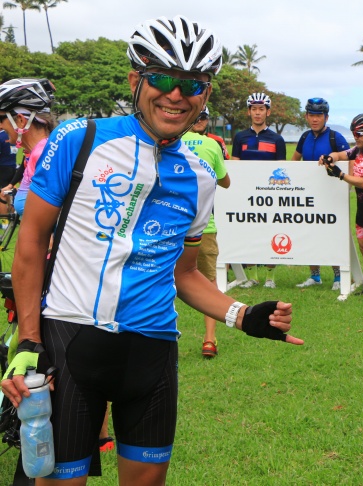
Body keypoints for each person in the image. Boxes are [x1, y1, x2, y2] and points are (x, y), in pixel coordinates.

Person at [1, 15, 302, 485]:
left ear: (205, 93)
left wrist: (241, 315)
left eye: (193, 84)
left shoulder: (200, 177)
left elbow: (184, 274)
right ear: (134, 80)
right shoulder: (79, 139)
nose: (176, 94)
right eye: (162, 78)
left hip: (153, 354)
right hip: (71, 341)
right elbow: (32, 244)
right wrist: (29, 341)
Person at [183, 109, 230, 358]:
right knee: (209, 282)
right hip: (203, 225)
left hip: (170, 224)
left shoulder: (171, 141)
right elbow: (225, 181)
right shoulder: (212, 144)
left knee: (160, 280)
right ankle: (209, 340)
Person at [292, 97, 349, 290]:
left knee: (332, 233)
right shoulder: (305, 137)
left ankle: (338, 277)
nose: (315, 119)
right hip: (308, 194)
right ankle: (315, 276)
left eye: (319, 115)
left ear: (326, 117)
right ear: (306, 116)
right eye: (312, 115)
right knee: (310, 233)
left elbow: (350, 160)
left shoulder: (336, 137)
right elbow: (294, 161)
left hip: (331, 193)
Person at [231, 92, 286, 289]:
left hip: (269, 194)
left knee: (272, 232)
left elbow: (281, 169)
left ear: (267, 112)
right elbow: (235, 166)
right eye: (254, 109)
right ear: (249, 112)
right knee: (249, 233)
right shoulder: (240, 137)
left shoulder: (277, 139)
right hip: (246, 194)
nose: (257, 113)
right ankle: (252, 277)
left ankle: (270, 278)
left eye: (261, 109)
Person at [322, 113, 363, 267]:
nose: (355, 137)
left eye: (358, 134)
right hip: (362, 207)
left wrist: (340, 174)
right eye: (353, 134)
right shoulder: (358, 150)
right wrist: (329, 158)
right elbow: (339, 154)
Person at [0, 78, 56, 217]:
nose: (0, 127)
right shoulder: (36, 153)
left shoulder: (43, 155)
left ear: (20, 120)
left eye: (1, 120)